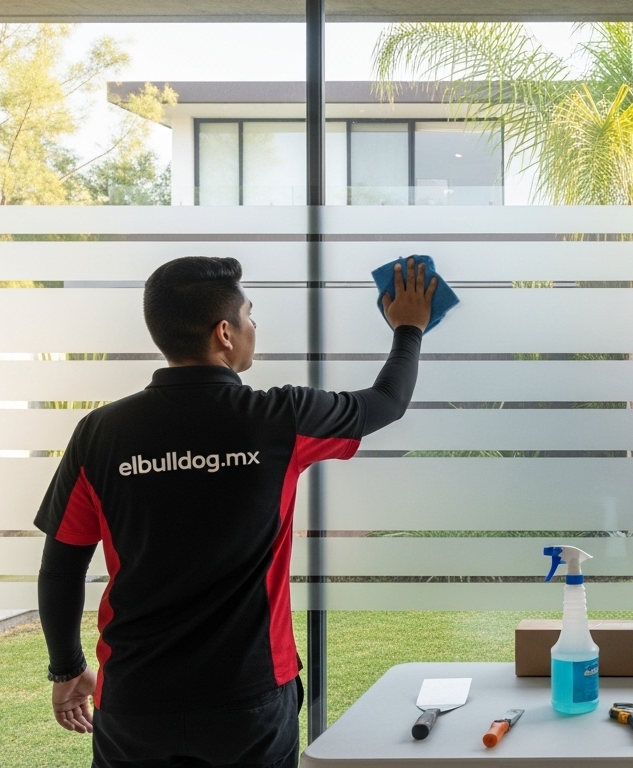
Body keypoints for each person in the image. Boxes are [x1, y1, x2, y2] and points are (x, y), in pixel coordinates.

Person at [35, 255, 438, 768]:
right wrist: (409, 328)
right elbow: (386, 401)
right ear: (224, 332)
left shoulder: (100, 433)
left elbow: (62, 563)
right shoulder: (280, 418)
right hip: (249, 699)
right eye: (250, 315)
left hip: (137, 700)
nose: (254, 325)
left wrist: (67, 668)